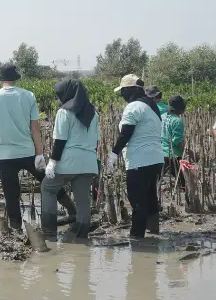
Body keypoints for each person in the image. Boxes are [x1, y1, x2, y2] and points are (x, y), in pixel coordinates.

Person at [0, 63, 76, 232]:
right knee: (50, 181)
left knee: (11, 195)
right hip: (28, 152)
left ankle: (16, 228)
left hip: (5, 155)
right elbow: (35, 128)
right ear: (16, 78)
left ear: (1, 79)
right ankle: (72, 209)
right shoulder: (28, 96)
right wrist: (39, 154)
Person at [106, 74, 163, 239]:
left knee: (137, 200)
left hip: (140, 160)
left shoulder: (133, 107)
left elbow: (126, 133)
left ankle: (137, 239)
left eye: (123, 91)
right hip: (156, 159)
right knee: (150, 195)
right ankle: (153, 230)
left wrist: (113, 154)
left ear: (131, 90)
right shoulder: (152, 106)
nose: (122, 94)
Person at [41, 78, 99, 240]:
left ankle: (49, 233)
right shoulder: (94, 113)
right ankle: (81, 236)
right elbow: (96, 141)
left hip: (68, 161)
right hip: (88, 162)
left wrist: (52, 163)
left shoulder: (64, 112)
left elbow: (60, 141)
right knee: (82, 201)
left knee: (48, 188)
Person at [161, 96, 186, 189]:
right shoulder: (177, 121)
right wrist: (187, 150)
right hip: (173, 154)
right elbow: (177, 141)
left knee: (158, 177)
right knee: (182, 181)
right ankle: (188, 198)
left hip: (162, 152)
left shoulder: (163, 117)